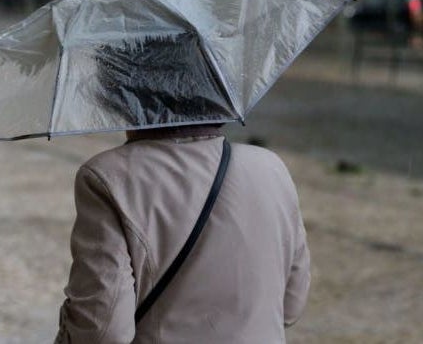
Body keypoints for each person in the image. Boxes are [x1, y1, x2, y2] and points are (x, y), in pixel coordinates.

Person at [54, 35, 311, 343]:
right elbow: (291, 306)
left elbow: (103, 330)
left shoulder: (108, 178)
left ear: (122, 94)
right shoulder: (272, 168)